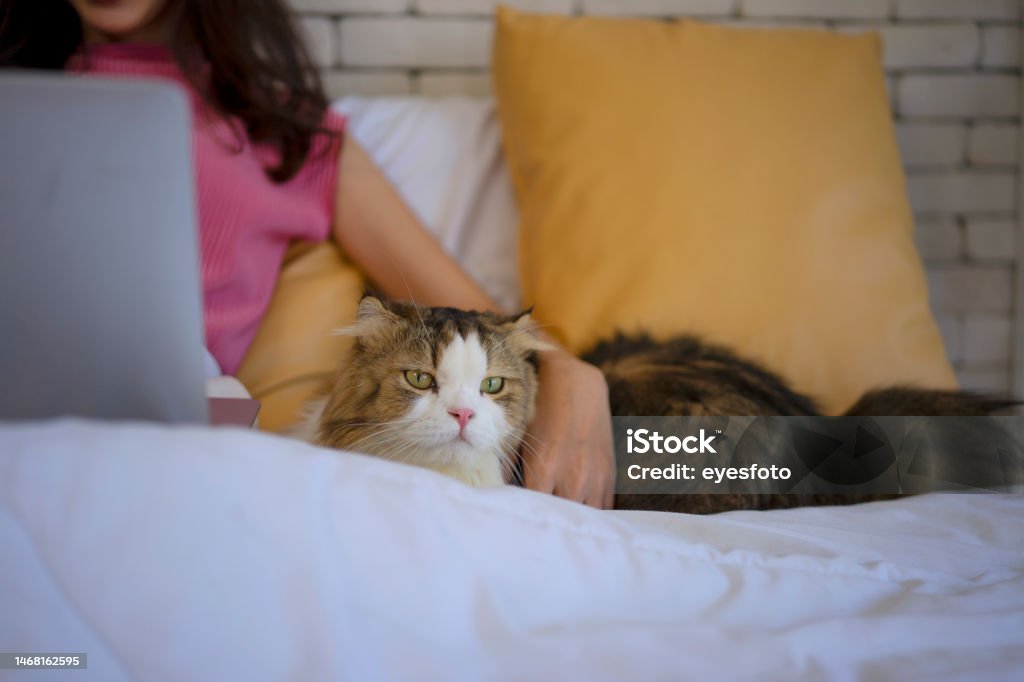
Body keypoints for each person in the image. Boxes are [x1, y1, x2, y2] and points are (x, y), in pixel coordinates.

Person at [0, 0, 615, 508]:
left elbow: (474, 320)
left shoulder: (292, 134)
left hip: (165, 450)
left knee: (697, 458)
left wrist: (574, 373)